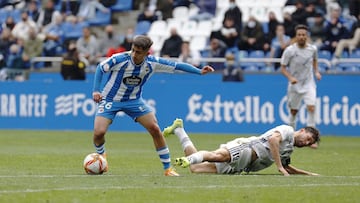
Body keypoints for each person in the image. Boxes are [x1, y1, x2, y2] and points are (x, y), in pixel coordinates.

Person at [91, 35, 214, 176]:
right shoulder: (120, 59)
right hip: (110, 100)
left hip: (134, 101)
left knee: (155, 129)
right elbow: (100, 68)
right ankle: (102, 157)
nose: (134, 54)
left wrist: (198, 71)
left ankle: (168, 169)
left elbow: (177, 66)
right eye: (133, 50)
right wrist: (96, 90)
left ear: (146, 53)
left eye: (138, 52)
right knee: (99, 133)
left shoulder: (152, 63)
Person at [163, 118, 320, 176]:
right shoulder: (288, 130)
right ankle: (188, 159)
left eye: (309, 143)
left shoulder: (289, 149)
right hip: (247, 148)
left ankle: (179, 129)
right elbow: (273, 140)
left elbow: (288, 168)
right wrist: (279, 167)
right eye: (308, 138)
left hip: (243, 166)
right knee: (219, 156)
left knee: (196, 169)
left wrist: (309, 174)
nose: (306, 142)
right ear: (302, 130)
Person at [280, 24, 321, 150]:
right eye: (299, 35)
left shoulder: (312, 49)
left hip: (309, 83)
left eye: (304, 35)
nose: (301, 37)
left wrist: (316, 71)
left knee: (311, 107)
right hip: (295, 85)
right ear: (296, 36)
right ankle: (290, 137)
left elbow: (314, 60)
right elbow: (283, 68)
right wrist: (290, 78)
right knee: (293, 111)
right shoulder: (290, 50)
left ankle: (311, 139)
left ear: (306, 36)